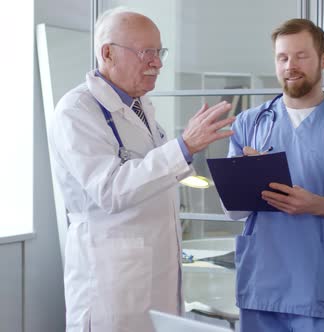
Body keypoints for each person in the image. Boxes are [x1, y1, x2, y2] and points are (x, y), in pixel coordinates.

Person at [48, 8, 235, 332]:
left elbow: (154, 177)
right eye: (147, 52)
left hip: (155, 279)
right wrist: (183, 147)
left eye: (159, 52)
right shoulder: (76, 112)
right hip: (111, 284)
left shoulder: (142, 107)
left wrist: (188, 153)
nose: (158, 62)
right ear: (107, 53)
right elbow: (110, 190)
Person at [224, 18, 324, 331]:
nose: (290, 66)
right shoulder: (250, 124)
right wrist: (247, 177)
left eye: (301, 56)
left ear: (323, 60)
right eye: (282, 58)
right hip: (261, 286)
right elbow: (232, 211)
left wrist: (315, 204)